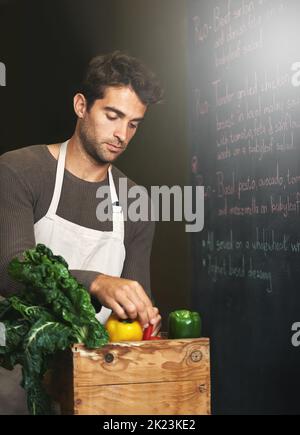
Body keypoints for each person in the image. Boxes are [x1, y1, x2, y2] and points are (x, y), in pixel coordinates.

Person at [0, 51, 163, 414]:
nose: (122, 135)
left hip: (94, 370)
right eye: (112, 115)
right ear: (80, 105)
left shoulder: (137, 201)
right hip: (14, 364)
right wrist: (95, 282)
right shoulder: (19, 171)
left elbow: (134, 312)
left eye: (134, 124)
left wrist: (143, 315)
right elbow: (12, 271)